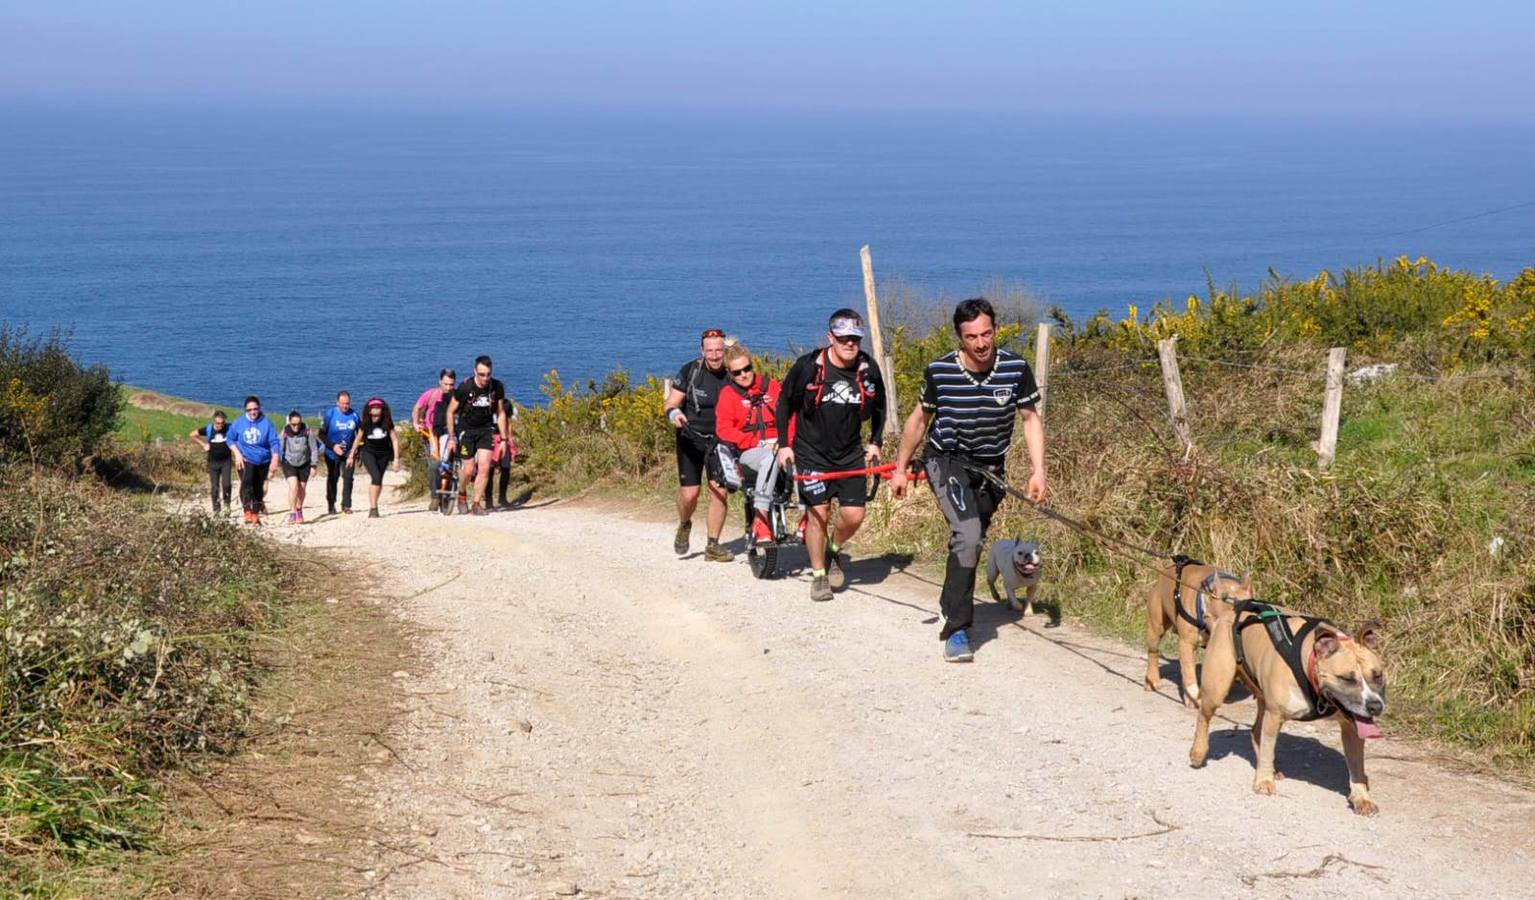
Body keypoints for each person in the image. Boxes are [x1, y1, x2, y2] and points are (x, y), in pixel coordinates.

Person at [890, 297, 1048, 663]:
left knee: (971, 543)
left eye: (987, 333)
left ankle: (950, 602)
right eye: (972, 336)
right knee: (969, 535)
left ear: (995, 330)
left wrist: (1039, 470)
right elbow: (918, 421)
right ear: (960, 338)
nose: (981, 343)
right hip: (946, 460)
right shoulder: (940, 371)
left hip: (990, 467)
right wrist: (900, 468)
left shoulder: (1015, 368)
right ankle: (958, 629)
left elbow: (1029, 419)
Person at [776, 309, 886, 601]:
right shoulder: (808, 367)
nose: (850, 344)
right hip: (811, 453)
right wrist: (784, 444)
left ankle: (833, 550)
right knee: (818, 515)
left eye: (855, 339)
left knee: (854, 515)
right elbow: (784, 403)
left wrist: (875, 442)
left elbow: (881, 407)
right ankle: (818, 576)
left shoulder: (869, 368)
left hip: (850, 453)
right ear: (830, 338)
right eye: (843, 339)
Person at [664, 328, 732, 561]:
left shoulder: (734, 371)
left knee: (719, 492)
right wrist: (674, 414)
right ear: (702, 351)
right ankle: (684, 523)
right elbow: (671, 402)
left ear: (725, 351)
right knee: (690, 495)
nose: (714, 356)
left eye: (719, 351)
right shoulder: (690, 371)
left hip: (720, 442)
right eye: (710, 351)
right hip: (690, 439)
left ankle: (712, 545)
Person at [713, 343, 782, 544]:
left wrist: (787, 441)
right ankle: (761, 518)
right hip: (750, 451)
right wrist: (758, 443)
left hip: (780, 445)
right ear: (730, 374)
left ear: (753, 365)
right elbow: (724, 430)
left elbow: (790, 416)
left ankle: (806, 518)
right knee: (770, 458)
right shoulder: (728, 395)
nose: (743, 375)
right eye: (737, 372)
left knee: (805, 459)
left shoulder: (772, 387)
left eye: (747, 369)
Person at [446, 356, 507, 516]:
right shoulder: (465, 388)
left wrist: (504, 439)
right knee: (469, 470)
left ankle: (476, 503)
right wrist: (452, 437)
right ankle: (461, 492)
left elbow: (500, 413)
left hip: (486, 429)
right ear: (475, 372)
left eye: (488, 374)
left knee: (485, 467)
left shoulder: (496, 387)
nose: (485, 378)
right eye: (481, 374)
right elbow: (450, 411)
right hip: (466, 430)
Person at [228, 396, 282, 525]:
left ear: (259, 408)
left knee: (259, 488)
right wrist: (237, 454)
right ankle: (247, 511)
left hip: (263, 460)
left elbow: (274, 441)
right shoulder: (239, 422)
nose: (253, 412)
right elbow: (230, 439)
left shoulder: (266, 422)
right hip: (245, 458)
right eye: (249, 410)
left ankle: (255, 513)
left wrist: (275, 457)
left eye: (255, 409)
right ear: (245, 410)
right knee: (246, 484)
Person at [348, 397, 402, 518]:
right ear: (369, 411)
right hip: (368, 453)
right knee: (376, 477)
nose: (376, 416)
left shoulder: (387, 422)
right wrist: (351, 455)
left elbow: (394, 439)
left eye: (378, 411)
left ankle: (374, 504)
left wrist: (396, 459)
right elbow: (358, 439)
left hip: (384, 454)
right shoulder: (365, 423)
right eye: (374, 411)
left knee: (378, 480)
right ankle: (373, 508)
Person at [319, 390, 361, 515]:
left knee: (348, 478)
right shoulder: (330, 414)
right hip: (332, 453)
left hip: (349, 453)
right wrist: (333, 446)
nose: (345, 406)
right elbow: (321, 434)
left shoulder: (355, 415)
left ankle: (346, 505)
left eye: (347, 403)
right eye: (342, 403)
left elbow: (361, 433)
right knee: (333, 478)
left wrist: (356, 450)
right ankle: (331, 505)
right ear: (337, 402)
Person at [279, 410, 321, 524]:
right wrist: (277, 461)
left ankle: (299, 510)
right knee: (294, 486)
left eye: (298, 424)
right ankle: (292, 512)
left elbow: (314, 449)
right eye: (293, 424)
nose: (296, 427)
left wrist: (314, 465)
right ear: (289, 423)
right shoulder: (285, 432)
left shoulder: (308, 432)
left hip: (304, 463)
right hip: (289, 463)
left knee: (302, 488)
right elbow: (279, 448)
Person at [190, 410, 234, 515]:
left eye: (222, 423)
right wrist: (203, 444)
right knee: (215, 487)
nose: (220, 426)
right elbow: (192, 434)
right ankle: (216, 509)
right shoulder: (208, 429)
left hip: (226, 461)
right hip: (213, 463)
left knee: (226, 484)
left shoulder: (229, 427)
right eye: (218, 423)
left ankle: (227, 505)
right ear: (214, 422)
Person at [485, 397, 517, 509]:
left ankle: (502, 498)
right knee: (489, 471)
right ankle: (488, 501)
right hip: (489, 439)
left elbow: (508, 422)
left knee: (506, 468)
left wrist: (510, 439)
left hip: (503, 440)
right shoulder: (486, 405)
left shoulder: (507, 404)